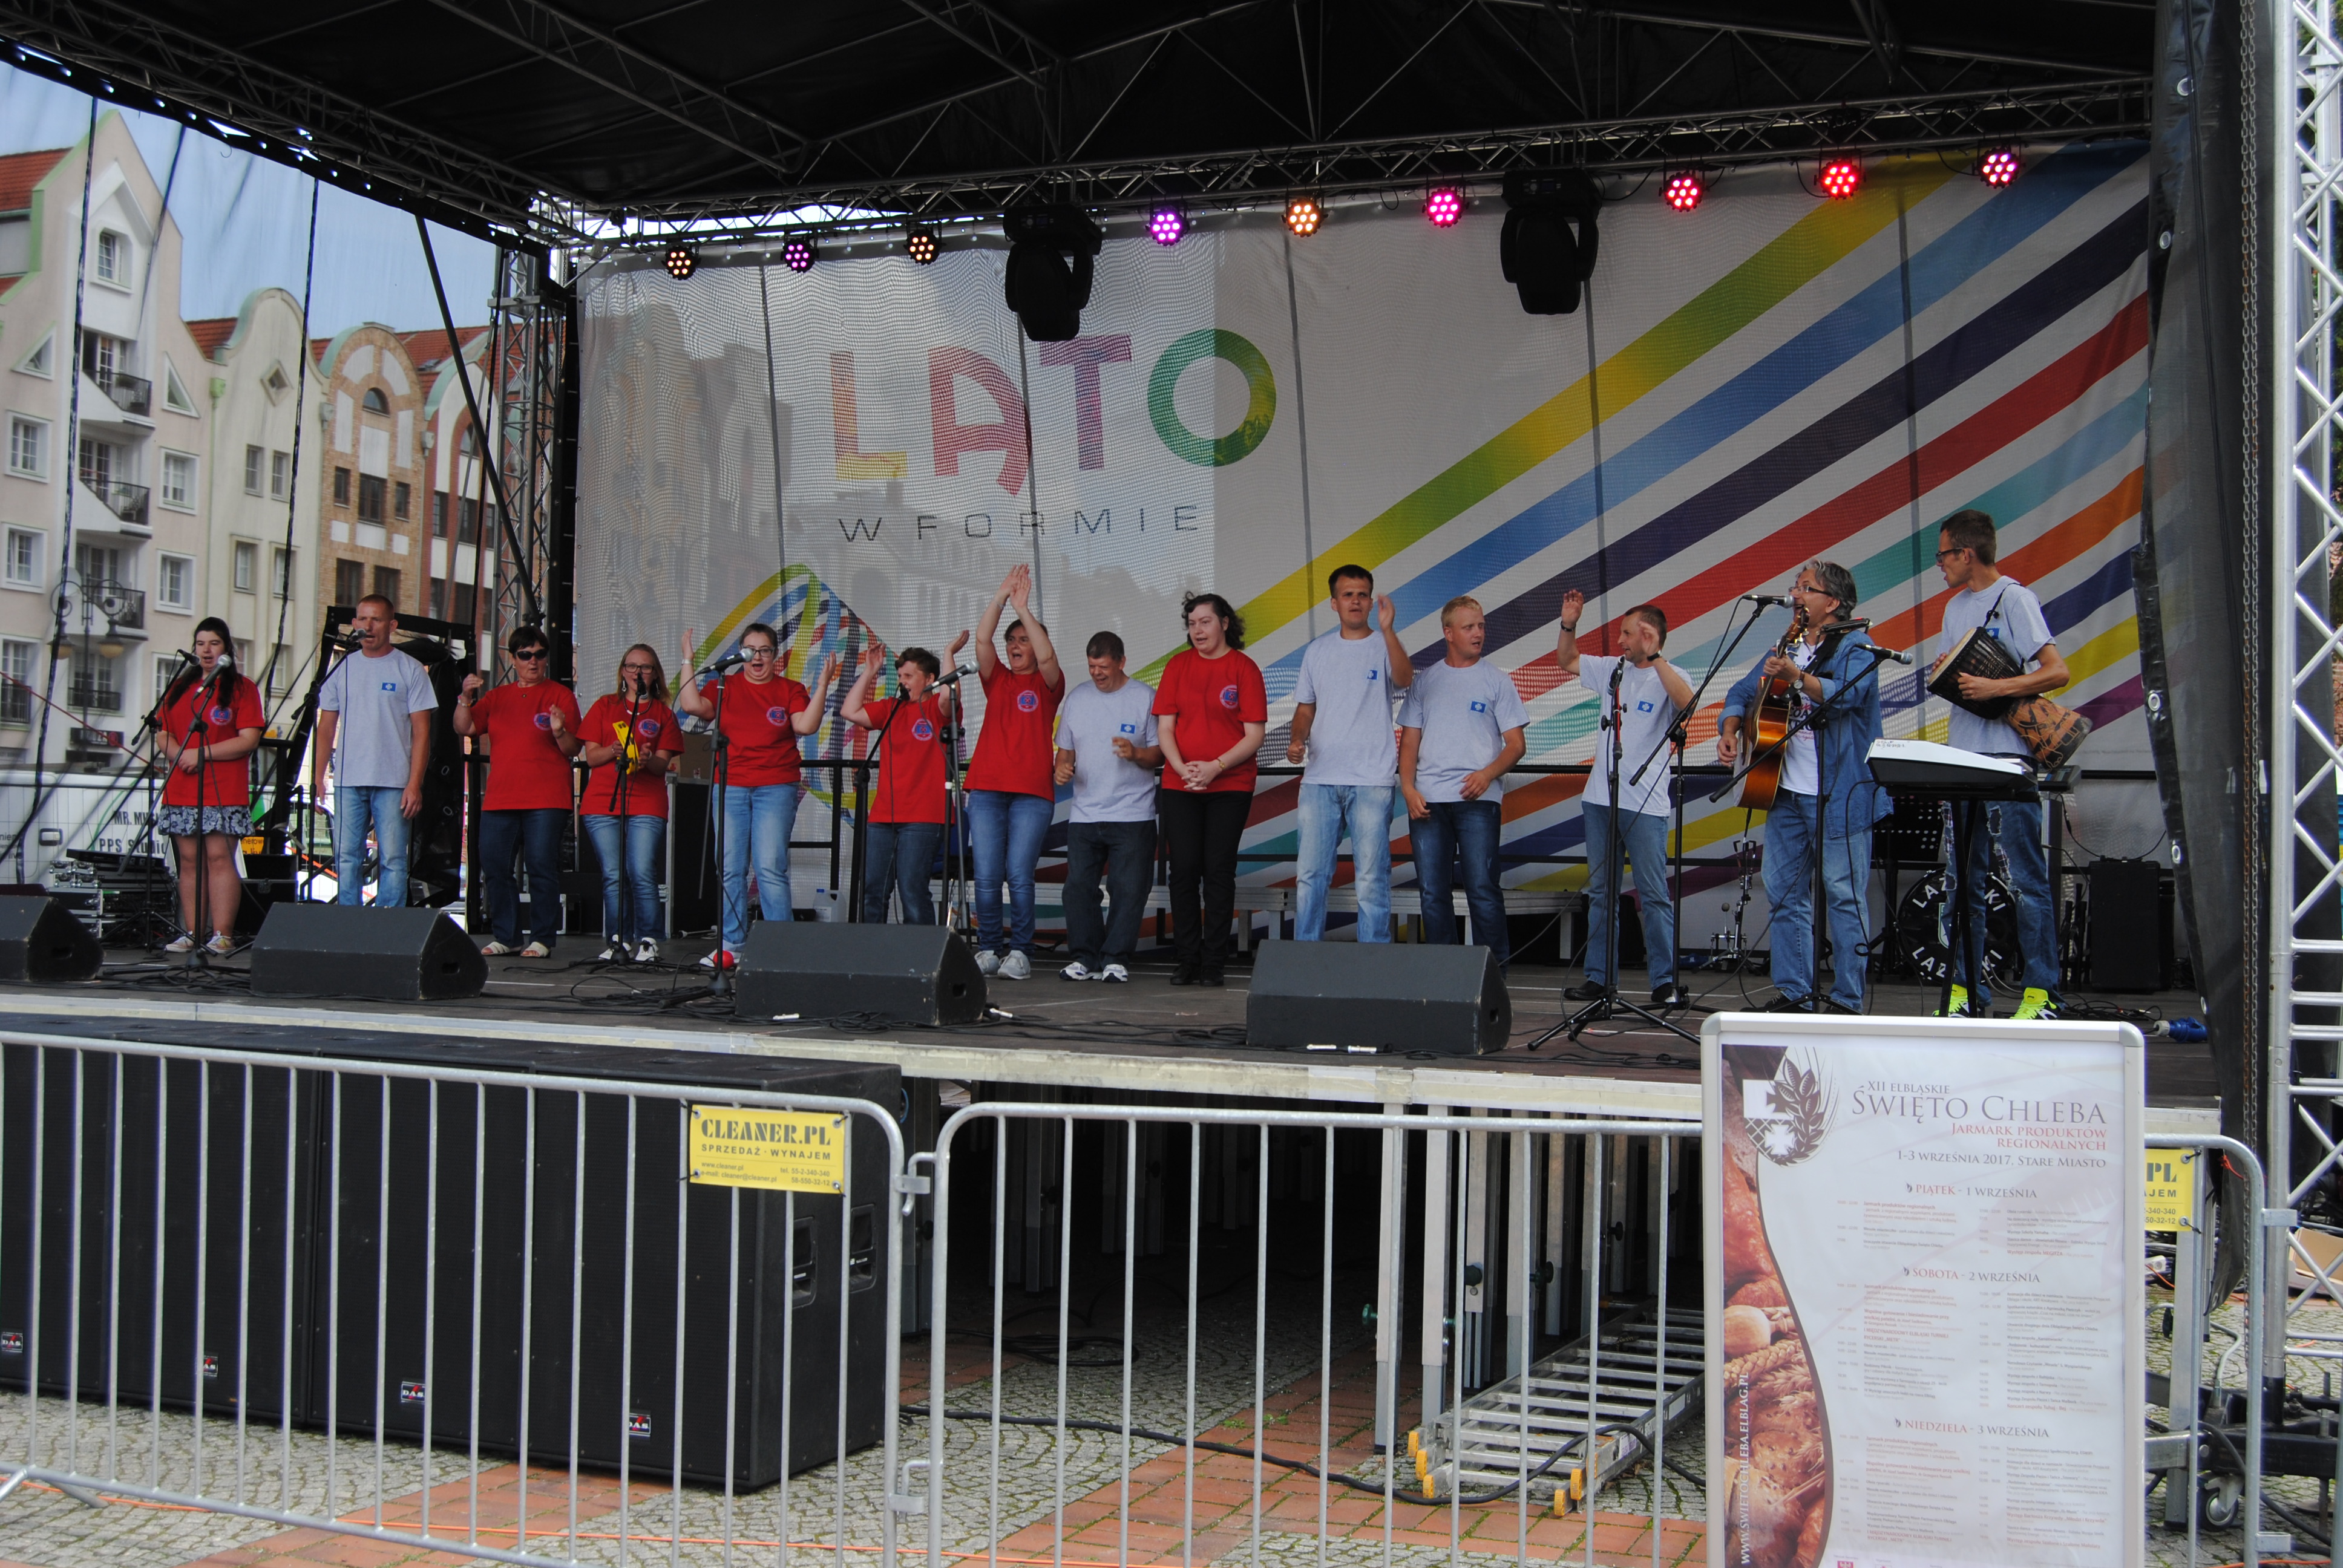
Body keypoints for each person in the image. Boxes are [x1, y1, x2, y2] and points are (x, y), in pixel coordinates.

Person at [1717, 561, 1892, 1013]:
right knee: (1783, 891)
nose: (1795, 594)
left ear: (1832, 602)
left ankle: (1848, 1000)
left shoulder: (1857, 645)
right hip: (1785, 791)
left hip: (1841, 794)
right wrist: (1731, 728)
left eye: (1805, 588)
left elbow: (1847, 695)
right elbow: (1742, 691)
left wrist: (1797, 677)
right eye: (1795, 586)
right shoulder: (1787, 644)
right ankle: (1796, 994)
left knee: (1844, 895)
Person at [1933, 508, 2073, 1021]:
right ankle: (1966, 991)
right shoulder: (1954, 608)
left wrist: (1997, 687)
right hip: (1963, 757)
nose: (1940, 565)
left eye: (1943, 555)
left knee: (2025, 880)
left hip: (2009, 760)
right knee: (1961, 883)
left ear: (1966, 553)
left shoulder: (2015, 598)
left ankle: (2041, 994)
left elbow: (2056, 671)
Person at [1554, 593, 1694, 1006]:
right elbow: (1567, 660)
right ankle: (1600, 978)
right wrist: (1568, 623)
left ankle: (1664, 982)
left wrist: (1657, 656)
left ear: (1650, 635)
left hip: (1645, 805)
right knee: (1602, 894)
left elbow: (1687, 704)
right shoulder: (1612, 669)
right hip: (1600, 799)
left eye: (1628, 634)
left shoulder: (1672, 674)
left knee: (1653, 894)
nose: (1620, 641)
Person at [677, 621, 839, 967]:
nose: (757, 657)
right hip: (731, 785)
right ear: (741, 654)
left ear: (775, 655)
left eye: (765, 650)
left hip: (775, 786)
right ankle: (732, 944)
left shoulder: (789, 689)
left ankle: (780, 948)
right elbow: (691, 706)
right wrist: (688, 659)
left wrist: (823, 685)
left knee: (769, 867)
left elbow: (806, 726)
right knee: (730, 867)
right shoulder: (726, 685)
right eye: (750, 651)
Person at [1398, 597, 1528, 972]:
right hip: (1428, 800)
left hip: (1479, 800)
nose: (1478, 633)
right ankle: (1446, 974)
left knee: (1482, 889)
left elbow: (1516, 745)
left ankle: (1493, 976)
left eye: (1481, 626)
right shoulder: (1426, 681)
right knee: (1432, 892)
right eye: (1469, 627)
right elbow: (1409, 742)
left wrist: (1486, 775)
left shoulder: (1496, 680)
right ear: (1448, 633)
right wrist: (1408, 788)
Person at [1288, 565, 1414, 944]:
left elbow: (1405, 679)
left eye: (1362, 595)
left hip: (1371, 780)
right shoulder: (1318, 650)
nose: (1356, 601)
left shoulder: (1384, 644)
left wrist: (1389, 630)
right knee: (1311, 876)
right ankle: (1305, 956)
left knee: (1372, 877)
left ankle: (1373, 960)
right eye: (1348, 595)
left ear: (1372, 602)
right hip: (1320, 779)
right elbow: (1305, 708)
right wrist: (1297, 739)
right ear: (1334, 603)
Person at [1154, 593, 1268, 985]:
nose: (1198, 630)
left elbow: (1254, 735)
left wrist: (1215, 767)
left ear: (1224, 623)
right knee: (1183, 869)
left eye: (1205, 622)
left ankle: (1214, 962)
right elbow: (1165, 728)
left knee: (1218, 870)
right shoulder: (1177, 666)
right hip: (1181, 783)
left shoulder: (1244, 668)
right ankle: (1188, 958)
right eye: (1192, 624)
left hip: (1230, 784)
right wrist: (1182, 768)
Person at [454, 628, 583, 957]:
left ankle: (542, 939)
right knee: (495, 866)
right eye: (525, 655)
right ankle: (508, 936)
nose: (533, 661)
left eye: (540, 655)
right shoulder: (497, 697)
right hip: (502, 797)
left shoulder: (561, 695)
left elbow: (573, 749)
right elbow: (465, 727)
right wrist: (464, 698)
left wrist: (559, 731)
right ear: (513, 659)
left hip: (546, 798)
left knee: (540, 866)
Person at [963, 565, 1065, 979]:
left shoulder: (1048, 685)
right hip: (986, 790)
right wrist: (1001, 597)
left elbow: (1048, 658)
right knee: (987, 876)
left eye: (1025, 639)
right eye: (1013, 641)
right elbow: (983, 640)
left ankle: (1021, 952)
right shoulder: (998, 679)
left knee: (1019, 875)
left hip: (1031, 794)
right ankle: (989, 948)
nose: (1016, 646)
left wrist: (1023, 610)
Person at [313, 594, 436, 908]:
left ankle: (387, 925)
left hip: (394, 781)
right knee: (346, 856)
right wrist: (318, 776)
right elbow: (326, 727)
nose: (368, 626)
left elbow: (423, 732)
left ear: (391, 626)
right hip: (348, 780)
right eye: (363, 619)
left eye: (377, 620)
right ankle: (348, 924)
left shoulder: (410, 669)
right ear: (354, 624)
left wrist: (415, 783)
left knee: (393, 858)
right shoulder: (342, 667)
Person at [1053, 631, 1163, 981]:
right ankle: (1084, 958)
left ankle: (1116, 958)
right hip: (1085, 813)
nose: (1097, 673)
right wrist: (1061, 769)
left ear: (1122, 662)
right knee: (1078, 889)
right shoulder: (1077, 698)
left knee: (1128, 889)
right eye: (1092, 667)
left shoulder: (1144, 697)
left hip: (1133, 813)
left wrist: (1136, 753)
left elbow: (1159, 754)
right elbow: (1065, 753)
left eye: (1103, 667)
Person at [152, 616, 264, 955]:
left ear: (226, 648)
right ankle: (192, 932)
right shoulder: (180, 687)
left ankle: (223, 934)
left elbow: (248, 739)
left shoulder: (243, 688)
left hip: (222, 787)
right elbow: (163, 732)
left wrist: (201, 754)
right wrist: (181, 755)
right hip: (182, 786)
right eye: (200, 643)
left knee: (219, 858)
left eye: (213, 643)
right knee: (188, 861)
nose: (206, 650)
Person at [841, 633, 969, 926]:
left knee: (912, 889)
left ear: (930, 679)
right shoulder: (891, 708)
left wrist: (949, 653)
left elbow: (949, 696)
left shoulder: (937, 709)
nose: (903, 682)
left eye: (909, 676)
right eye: (900, 676)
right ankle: (874, 948)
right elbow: (850, 711)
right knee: (873, 890)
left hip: (924, 816)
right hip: (883, 815)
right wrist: (870, 671)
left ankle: (921, 951)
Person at [576, 644, 684, 962]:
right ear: (623, 671)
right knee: (613, 874)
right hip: (603, 802)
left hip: (647, 802)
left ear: (655, 674)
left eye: (646, 667)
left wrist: (648, 759)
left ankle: (648, 940)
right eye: (632, 666)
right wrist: (613, 751)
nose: (638, 672)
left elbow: (663, 765)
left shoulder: (664, 714)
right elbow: (590, 757)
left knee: (642, 871)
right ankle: (618, 941)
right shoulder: (604, 705)